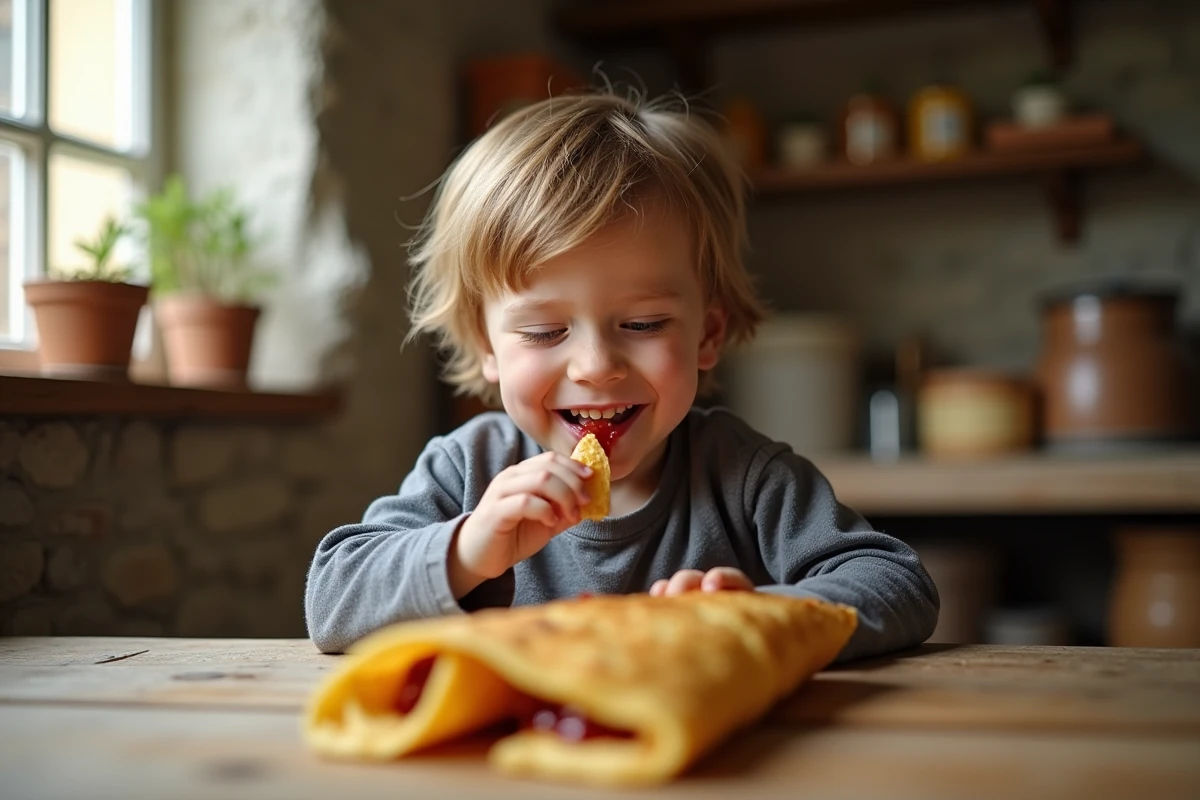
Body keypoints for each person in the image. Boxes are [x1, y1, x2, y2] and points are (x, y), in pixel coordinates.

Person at [305, 90, 939, 660]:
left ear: (707, 336)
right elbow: (332, 602)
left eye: (642, 324)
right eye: (544, 332)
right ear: (486, 346)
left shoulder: (745, 479)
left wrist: (763, 615)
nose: (597, 368)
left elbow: (898, 582)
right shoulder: (466, 471)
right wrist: (468, 549)